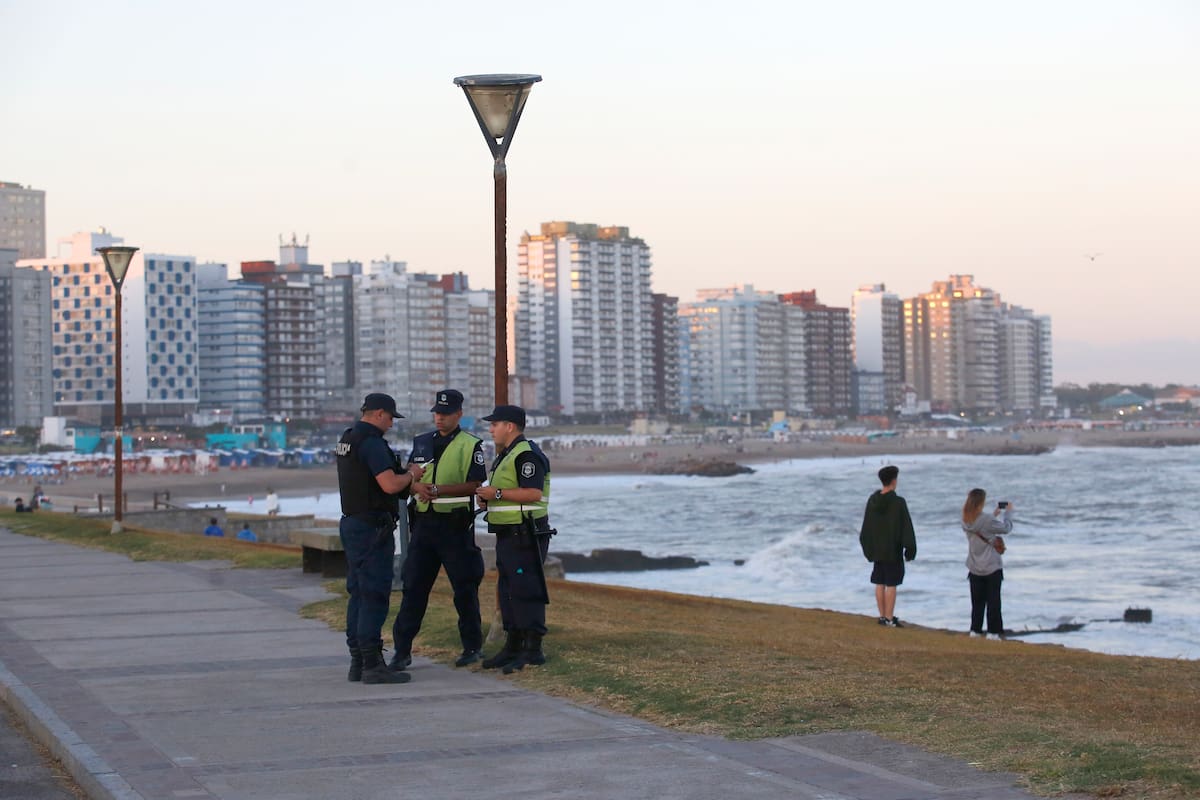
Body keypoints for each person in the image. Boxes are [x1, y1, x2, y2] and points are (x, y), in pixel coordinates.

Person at [390, 389, 487, 670]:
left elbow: (476, 484)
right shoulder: (421, 442)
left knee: (464, 588)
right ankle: (402, 650)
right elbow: (409, 474)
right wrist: (416, 485)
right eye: (436, 413)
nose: (439, 418)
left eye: (445, 414)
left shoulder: (471, 445)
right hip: (424, 525)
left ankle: (471, 646)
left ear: (459, 414)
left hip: (455, 526)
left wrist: (439, 490)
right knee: (414, 588)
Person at [337, 393, 425, 685]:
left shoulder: (348, 439)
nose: (390, 423)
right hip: (372, 527)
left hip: (352, 523)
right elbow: (389, 484)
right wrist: (411, 475)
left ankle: (358, 662)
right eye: (389, 417)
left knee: (359, 593)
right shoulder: (372, 443)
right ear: (377, 414)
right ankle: (373, 664)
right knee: (374, 594)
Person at [474, 404, 554, 674]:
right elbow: (507, 493)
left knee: (525, 590)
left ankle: (532, 649)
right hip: (509, 534)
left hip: (525, 534)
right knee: (508, 591)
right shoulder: (506, 455)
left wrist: (495, 494)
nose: (491, 429)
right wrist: (489, 500)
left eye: (494, 424)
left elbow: (531, 493)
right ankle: (513, 644)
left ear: (510, 426)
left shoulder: (527, 454)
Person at [858, 465, 917, 628]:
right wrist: (910, 549)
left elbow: (866, 527)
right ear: (893, 480)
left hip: (877, 549)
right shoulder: (898, 502)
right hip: (892, 550)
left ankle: (883, 616)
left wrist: (868, 548)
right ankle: (890, 618)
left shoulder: (873, 501)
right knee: (891, 583)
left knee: (879, 582)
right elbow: (906, 527)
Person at [962, 489, 1013, 639]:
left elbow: (981, 525)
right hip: (991, 566)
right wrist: (1008, 514)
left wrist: (994, 514)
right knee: (993, 601)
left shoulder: (965, 519)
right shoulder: (987, 520)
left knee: (977, 602)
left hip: (974, 566)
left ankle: (975, 630)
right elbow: (1006, 528)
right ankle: (993, 632)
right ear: (980, 503)